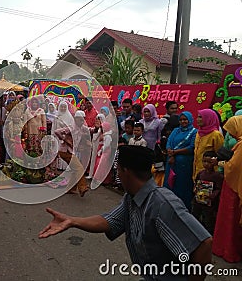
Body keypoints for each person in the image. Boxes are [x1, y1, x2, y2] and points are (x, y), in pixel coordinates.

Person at [39, 145, 212, 281]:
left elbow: (204, 243)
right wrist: (72, 221)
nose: (117, 174)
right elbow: (110, 221)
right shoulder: (132, 197)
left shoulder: (162, 204)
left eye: (118, 169)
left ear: (125, 171)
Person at [213, 115, 242, 262]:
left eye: (231, 131)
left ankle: (228, 250)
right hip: (235, 185)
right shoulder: (238, 144)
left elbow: (234, 168)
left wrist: (221, 164)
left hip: (234, 188)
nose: (229, 134)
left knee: (230, 220)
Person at [163, 112, 197, 210]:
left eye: (185, 119)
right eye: (181, 120)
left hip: (184, 164)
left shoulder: (194, 132)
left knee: (182, 185)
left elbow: (191, 147)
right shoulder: (176, 130)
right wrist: (170, 151)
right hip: (171, 162)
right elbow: (169, 142)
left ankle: (182, 208)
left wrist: (174, 152)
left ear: (190, 120)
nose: (183, 121)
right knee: (170, 183)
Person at [54, 110, 90, 197]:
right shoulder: (71, 127)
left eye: (83, 120)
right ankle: (82, 187)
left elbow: (90, 130)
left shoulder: (82, 127)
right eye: (79, 120)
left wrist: (96, 128)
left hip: (70, 152)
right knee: (79, 168)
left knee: (75, 170)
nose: (81, 122)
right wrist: (65, 139)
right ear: (75, 119)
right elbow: (57, 132)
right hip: (65, 151)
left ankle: (70, 188)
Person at [192, 151, 223, 234]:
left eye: (209, 162)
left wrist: (212, 196)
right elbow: (196, 182)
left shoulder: (218, 176)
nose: (206, 164)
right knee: (195, 216)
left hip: (210, 203)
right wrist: (195, 189)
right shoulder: (201, 173)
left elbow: (219, 188)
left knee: (209, 220)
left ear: (214, 163)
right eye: (204, 161)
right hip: (198, 200)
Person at [193, 109, 224, 180]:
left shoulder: (216, 134)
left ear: (208, 118)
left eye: (200, 117)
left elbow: (219, 155)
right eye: (198, 117)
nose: (197, 119)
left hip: (211, 173)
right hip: (198, 171)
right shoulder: (199, 133)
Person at [52, 101, 74, 171]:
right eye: (61, 106)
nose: (63, 108)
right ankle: (58, 166)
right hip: (57, 137)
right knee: (57, 151)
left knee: (65, 152)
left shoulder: (70, 117)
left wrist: (65, 134)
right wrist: (53, 136)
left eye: (64, 107)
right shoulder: (57, 117)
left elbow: (71, 127)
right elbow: (53, 127)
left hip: (65, 138)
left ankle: (64, 166)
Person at [91, 121, 113, 187]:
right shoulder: (103, 134)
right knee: (98, 164)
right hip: (100, 150)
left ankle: (102, 179)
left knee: (102, 164)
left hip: (105, 151)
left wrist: (101, 150)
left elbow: (107, 145)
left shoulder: (108, 136)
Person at [87, 114, 105, 180]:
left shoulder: (102, 130)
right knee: (93, 160)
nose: (97, 121)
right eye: (96, 119)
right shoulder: (96, 129)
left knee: (97, 161)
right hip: (94, 146)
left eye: (99, 119)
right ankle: (91, 174)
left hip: (100, 147)